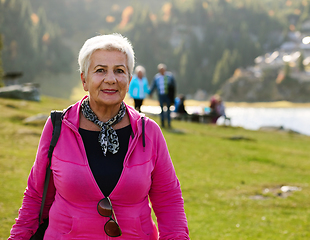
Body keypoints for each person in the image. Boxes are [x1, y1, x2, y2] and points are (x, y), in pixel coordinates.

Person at [9, 33, 189, 239]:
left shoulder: (149, 131)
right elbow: (35, 196)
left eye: (119, 71)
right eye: (100, 70)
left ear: (129, 80)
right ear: (84, 80)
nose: (110, 79)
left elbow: (169, 200)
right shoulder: (57, 127)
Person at [150, 63, 176, 128]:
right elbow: (154, 86)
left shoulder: (169, 76)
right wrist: (151, 93)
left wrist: (173, 96)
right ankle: (162, 123)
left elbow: (173, 86)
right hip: (161, 95)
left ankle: (169, 123)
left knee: (168, 109)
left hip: (167, 95)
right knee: (161, 109)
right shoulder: (157, 77)